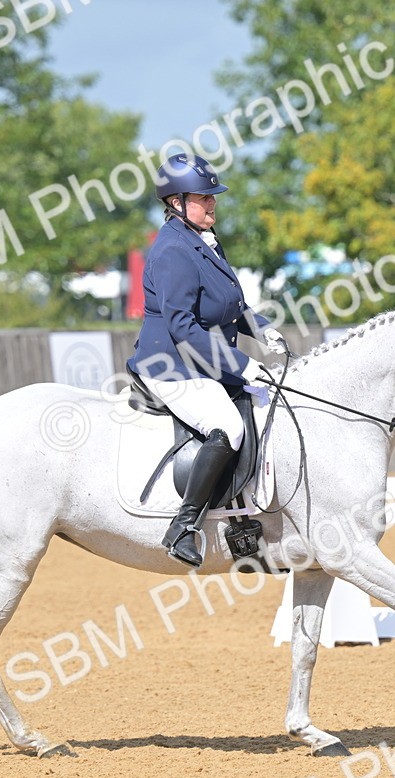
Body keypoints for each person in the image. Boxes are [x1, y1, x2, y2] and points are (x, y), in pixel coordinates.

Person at [127, 153, 286, 568]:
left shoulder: (203, 240)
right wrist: (242, 364)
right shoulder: (172, 251)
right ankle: (183, 526)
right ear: (176, 202)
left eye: (212, 196)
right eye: (203, 197)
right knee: (228, 426)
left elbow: (232, 305)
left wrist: (263, 330)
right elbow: (182, 325)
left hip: (202, 363)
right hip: (171, 367)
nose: (212, 203)